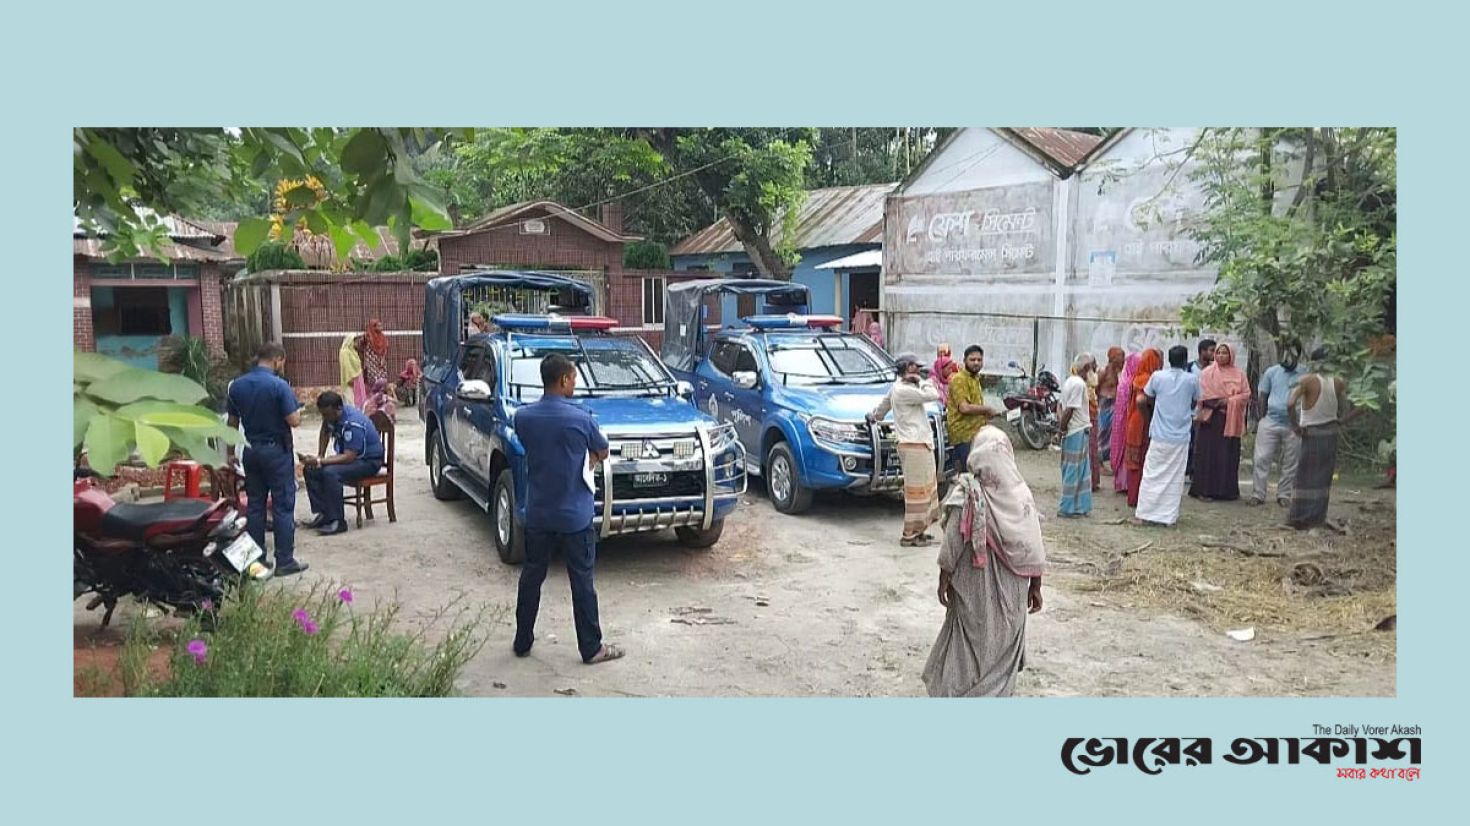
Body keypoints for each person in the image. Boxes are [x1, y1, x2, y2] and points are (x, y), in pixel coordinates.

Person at [513, 354, 624, 664]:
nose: (575, 384)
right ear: (563, 380)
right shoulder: (582, 418)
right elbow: (602, 449)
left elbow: (529, 445)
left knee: (532, 577)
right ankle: (591, 647)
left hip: (538, 513)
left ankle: (522, 641)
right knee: (582, 582)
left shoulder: (523, 417)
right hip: (575, 516)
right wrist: (588, 457)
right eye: (574, 379)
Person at [921, 426, 1045, 698]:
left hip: (973, 588)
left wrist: (944, 577)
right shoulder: (1022, 494)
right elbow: (1034, 544)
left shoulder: (968, 493)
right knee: (1001, 643)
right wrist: (1036, 585)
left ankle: (964, 694)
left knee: (971, 642)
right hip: (1012, 593)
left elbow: (953, 542)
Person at [226, 342, 308, 576]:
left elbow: (231, 424)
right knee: (282, 505)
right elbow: (293, 420)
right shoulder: (279, 386)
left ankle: (256, 561)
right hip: (276, 452)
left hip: (250, 451)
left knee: (254, 506)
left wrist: (230, 453)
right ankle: (284, 561)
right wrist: (298, 411)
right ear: (277, 360)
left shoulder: (236, 386)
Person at [869, 354, 943, 547]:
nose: (918, 371)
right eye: (915, 368)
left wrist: (873, 416)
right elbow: (933, 395)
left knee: (925, 489)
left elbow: (881, 409)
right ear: (907, 369)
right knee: (917, 493)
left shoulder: (898, 388)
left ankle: (919, 530)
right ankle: (910, 535)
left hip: (918, 443)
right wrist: (923, 381)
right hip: (914, 444)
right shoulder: (904, 390)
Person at [1286, 349, 1353, 530]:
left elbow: (1291, 402)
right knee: (1323, 476)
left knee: (1304, 475)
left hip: (1311, 432)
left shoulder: (1307, 380)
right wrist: (1343, 420)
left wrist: (1295, 426)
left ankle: (1298, 517)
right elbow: (1355, 406)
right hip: (1330, 432)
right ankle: (1316, 518)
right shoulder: (1338, 382)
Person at [1134, 346, 1201, 526]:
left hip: (1159, 433)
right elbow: (1196, 400)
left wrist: (1149, 418)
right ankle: (1167, 517)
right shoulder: (1192, 380)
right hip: (1180, 436)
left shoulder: (1157, 377)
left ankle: (1144, 514)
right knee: (1174, 478)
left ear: (1169, 360)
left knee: (1151, 474)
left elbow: (1142, 398)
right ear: (1185, 359)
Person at [302, 391, 385, 536]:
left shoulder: (353, 422)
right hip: (352, 458)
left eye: (327, 415)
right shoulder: (332, 417)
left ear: (338, 409)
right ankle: (324, 514)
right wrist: (319, 456)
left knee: (331, 473)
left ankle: (338, 521)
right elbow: (325, 430)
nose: (325, 418)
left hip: (368, 461)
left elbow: (349, 457)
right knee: (311, 470)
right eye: (323, 415)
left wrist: (321, 461)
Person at [1189, 343, 1252, 502]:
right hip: (1212, 420)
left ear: (1231, 355)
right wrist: (1221, 402)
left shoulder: (1239, 374)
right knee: (1208, 455)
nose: (1221, 356)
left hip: (1231, 420)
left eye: (1225, 353)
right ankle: (1204, 490)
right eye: (1219, 353)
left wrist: (1230, 401)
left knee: (1228, 455)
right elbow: (1204, 395)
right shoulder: (1208, 373)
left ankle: (1226, 491)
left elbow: (1246, 394)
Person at [1250, 343, 1304, 506]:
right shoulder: (1272, 372)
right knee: (1261, 458)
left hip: (1294, 424)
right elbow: (1262, 396)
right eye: (1284, 353)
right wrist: (1261, 417)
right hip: (1270, 421)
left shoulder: (1305, 373)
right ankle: (1258, 494)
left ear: (1297, 355)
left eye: (1291, 353)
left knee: (1291, 461)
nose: (1286, 357)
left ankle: (1284, 495)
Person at [945, 345, 1000, 475]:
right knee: (968, 476)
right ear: (964, 361)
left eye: (979, 360)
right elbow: (964, 408)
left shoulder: (975, 379)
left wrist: (986, 414)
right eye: (972, 359)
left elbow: (974, 406)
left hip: (976, 434)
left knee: (977, 475)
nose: (976, 363)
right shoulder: (959, 379)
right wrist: (986, 409)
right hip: (963, 436)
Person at [1123, 349, 1163, 507]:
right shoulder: (1148, 379)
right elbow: (1141, 400)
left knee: (1135, 463)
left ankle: (1133, 498)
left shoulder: (1137, 377)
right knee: (1143, 461)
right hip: (1141, 423)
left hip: (1133, 422)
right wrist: (1149, 418)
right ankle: (1140, 499)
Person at [1057, 353, 1095, 517]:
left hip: (1077, 430)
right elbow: (1069, 410)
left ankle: (1079, 506)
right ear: (1087, 368)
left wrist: (1062, 428)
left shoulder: (1070, 381)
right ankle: (1066, 507)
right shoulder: (1079, 384)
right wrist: (1062, 430)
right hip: (1076, 432)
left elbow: (1059, 406)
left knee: (1081, 470)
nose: (1095, 371)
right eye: (1094, 367)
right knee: (1073, 470)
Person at [1110, 351, 1142, 494]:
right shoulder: (1129, 383)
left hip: (1123, 423)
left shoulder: (1125, 380)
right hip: (1126, 424)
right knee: (1125, 453)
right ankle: (1125, 483)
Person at [1185, 339, 1217, 481]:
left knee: (1200, 445)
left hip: (1205, 413)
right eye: (1211, 350)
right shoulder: (1190, 368)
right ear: (1202, 351)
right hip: (1189, 413)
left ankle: (1195, 473)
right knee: (1187, 443)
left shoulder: (1215, 370)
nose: (1214, 354)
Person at [1097, 347, 1126, 469]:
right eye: (1121, 356)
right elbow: (1095, 388)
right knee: (1101, 433)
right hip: (1104, 404)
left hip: (1114, 405)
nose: (1123, 359)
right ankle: (1099, 463)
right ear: (1113, 357)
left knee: (1112, 435)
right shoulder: (1104, 371)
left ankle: (1107, 460)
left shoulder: (1120, 372)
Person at [339, 333, 367, 408]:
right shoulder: (344, 352)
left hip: (358, 378)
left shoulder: (353, 352)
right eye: (354, 341)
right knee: (351, 400)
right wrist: (350, 378)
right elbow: (346, 367)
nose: (356, 343)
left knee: (360, 399)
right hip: (350, 379)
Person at [361, 319, 390, 389]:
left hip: (381, 364)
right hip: (371, 364)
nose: (381, 327)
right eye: (379, 326)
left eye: (381, 325)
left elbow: (385, 348)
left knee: (382, 381)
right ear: (374, 327)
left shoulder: (383, 337)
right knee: (373, 382)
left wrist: (383, 359)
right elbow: (360, 345)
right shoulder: (367, 337)